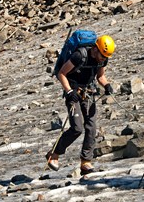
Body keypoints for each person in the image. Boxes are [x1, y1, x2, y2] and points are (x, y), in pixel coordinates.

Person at [46, 35, 116, 175]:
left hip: (88, 92)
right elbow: (61, 73)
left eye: (105, 57)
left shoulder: (103, 59)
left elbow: (100, 76)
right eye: (102, 55)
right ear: (95, 49)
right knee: (77, 128)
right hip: (73, 92)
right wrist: (69, 91)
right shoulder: (80, 55)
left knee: (91, 126)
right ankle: (54, 154)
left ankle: (86, 162)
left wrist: (107, 85)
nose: (103, 59)